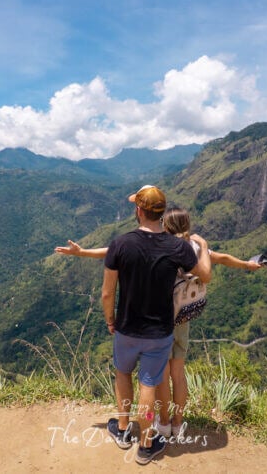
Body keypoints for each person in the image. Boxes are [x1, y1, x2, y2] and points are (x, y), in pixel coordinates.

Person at [56, 206, 262, 442]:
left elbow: (113, 251)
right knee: (178, 373)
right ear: (187, 225)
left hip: (160, 320)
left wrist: (82, 253)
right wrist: (246, 264)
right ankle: (177, 423)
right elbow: (221, 259)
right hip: (182, 319)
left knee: (158, 377)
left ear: (165, 224)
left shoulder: (160, 246)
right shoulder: (192, 248)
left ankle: (162, 423)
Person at [90, 185, 211, 465]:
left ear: (139, 211)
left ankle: (122, 430)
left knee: (123, 375)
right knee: (148, 385)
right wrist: (203, 246)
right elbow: (204, 274)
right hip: (159, 333)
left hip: (126, 327)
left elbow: (107, 293)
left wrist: (111, 319)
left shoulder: (121, 244)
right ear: (161, 213)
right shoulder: (177, 246)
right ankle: (146, 445)